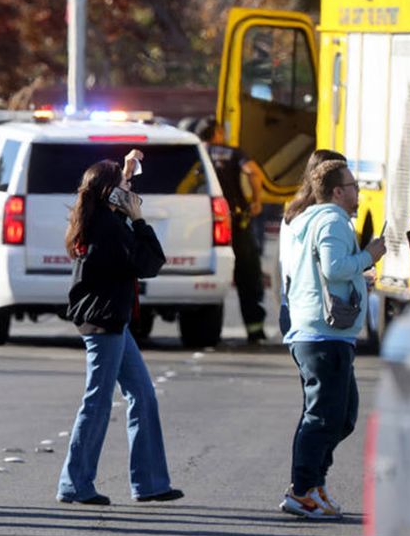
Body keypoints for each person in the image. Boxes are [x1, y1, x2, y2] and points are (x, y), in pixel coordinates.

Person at [57, 151, 182, 506]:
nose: (132, 192)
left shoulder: (100, 217)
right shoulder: (109, 228)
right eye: (126, 187)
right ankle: (75, 484)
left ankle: (150, 483)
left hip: (112, 320)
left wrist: (125, 174)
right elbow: (150, 262)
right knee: (96, 402)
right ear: (112, 195)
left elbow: (111, 194)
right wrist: (139, 218)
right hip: (104, 321)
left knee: (142, 395)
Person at [280, 160, 385, 519]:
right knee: (324, 417)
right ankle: (302, 491)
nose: (358, 192)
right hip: (323, 334)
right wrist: (369, 256)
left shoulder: (311, 218)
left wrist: (358, 279)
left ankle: (314, 483)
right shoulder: (332, 220)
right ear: (338, 191)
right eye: (353, 186)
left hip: (321, 332)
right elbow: (334, 267)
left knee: (342, 416)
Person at [195, 118, 268, 343]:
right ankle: (254, 331)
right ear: (218, 131)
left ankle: (204, 331)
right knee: (248, 275)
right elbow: (254, 172)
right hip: (235, 223)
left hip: (203, 225)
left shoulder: (196, 153)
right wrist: (256, 200)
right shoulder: (232, 153)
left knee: (206, 276)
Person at [278, 149, 347, 337]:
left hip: (290, 306)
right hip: (319, 311)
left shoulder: (293, 211)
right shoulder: (326, 219)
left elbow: (288, 265)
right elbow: (330, 268)